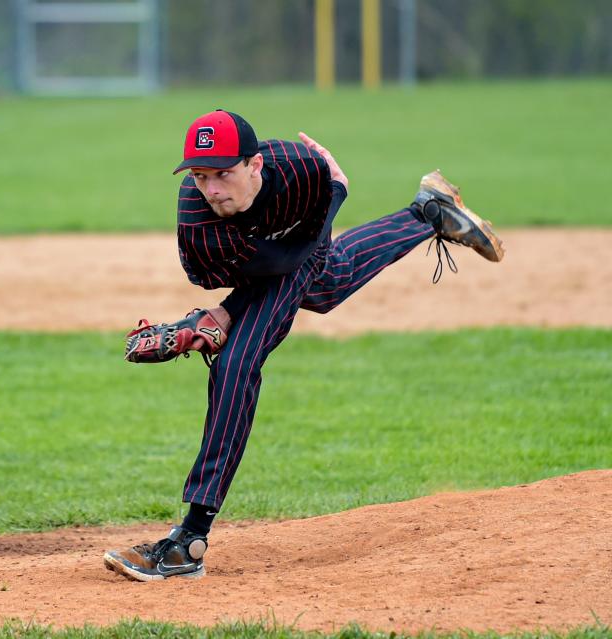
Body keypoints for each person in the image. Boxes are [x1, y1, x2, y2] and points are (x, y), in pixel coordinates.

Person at [104, 109, 505, 582]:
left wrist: (332, 194)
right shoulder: (197, 221)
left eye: (223, 173)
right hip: (252, 261)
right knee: (327, 285)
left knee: (235, 365)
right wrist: (224, 309)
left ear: (255, 166)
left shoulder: (302, 170)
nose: (210, 189)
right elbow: (274, 265)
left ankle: (191, 539)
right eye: (200, 175)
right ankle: (427, 213)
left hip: (299, 235)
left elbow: (302, 252)